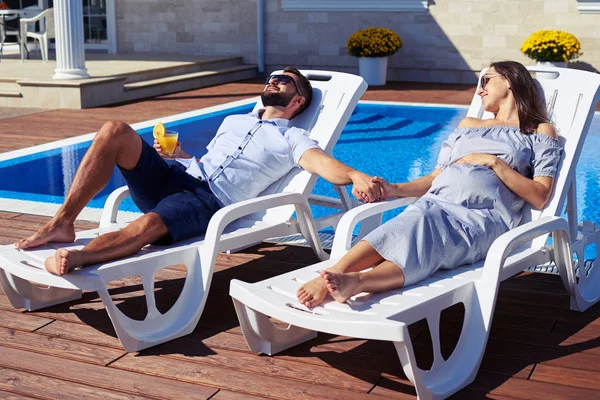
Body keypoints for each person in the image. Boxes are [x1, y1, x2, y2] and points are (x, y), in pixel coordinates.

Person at [15, 67, 382, 276]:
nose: (273, 81)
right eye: (271, 77)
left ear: (298, 100)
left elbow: (323, 164)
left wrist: (355, 177)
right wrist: (178, 154)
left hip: (207, 200)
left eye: (283, 81)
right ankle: (62, 221)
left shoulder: (295, 138)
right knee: (114, 130)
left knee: (149, 226)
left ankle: (79, 258)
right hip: (181, 175)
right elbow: (207, 160)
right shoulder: (234, 119)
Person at [297, 60, 563, 307]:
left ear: (509, 81)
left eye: (485, 81)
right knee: (414, 219)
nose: (479, 91)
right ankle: (340, 275)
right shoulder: (468, 124)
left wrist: (493, 162)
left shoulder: (539, 131)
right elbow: (436, 177)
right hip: (436, 203)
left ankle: (356, 280)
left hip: (482, 218)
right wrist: (393, 189)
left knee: (426, 230)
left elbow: (540, 196)